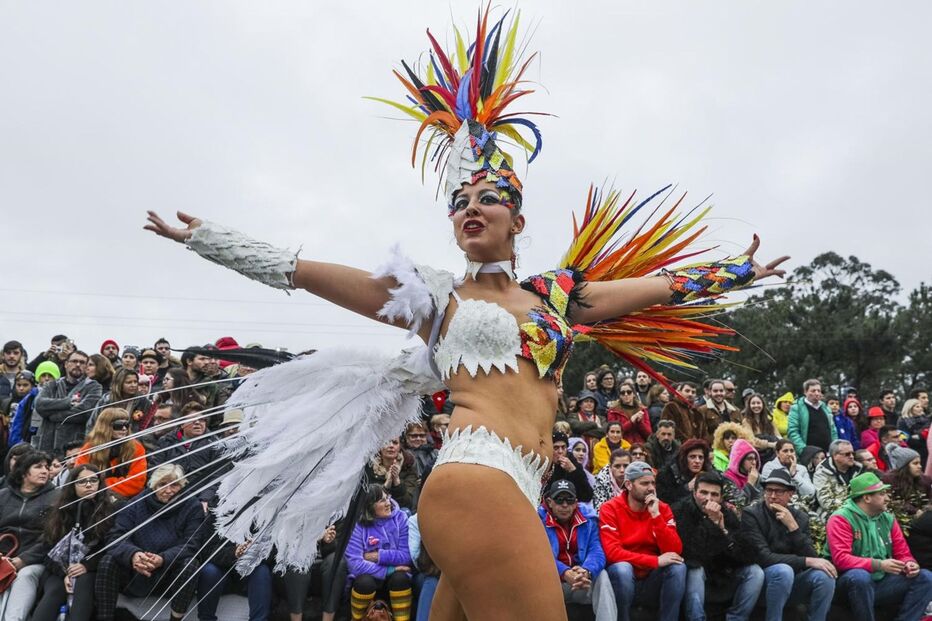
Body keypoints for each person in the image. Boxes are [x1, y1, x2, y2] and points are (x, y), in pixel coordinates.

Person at [142, 8, 787, 617]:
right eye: (459, 202)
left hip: (520, 487)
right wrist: (211, 241)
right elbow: (312, 275)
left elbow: (660, 287)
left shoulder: (559, 294)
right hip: (474, 478)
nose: (470, 208)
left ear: (518, 218)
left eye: (487, 198)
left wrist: (738, 272)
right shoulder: (438, 297)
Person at [95, 464, 204, 621]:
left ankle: (176, 619)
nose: (168, 490)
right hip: (134, 569)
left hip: (168, 572)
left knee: (190, 564)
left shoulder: (192, 507)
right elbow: (115, 537)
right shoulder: (136, 504)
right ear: (153, 486)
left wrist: (162, 559)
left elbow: (192, 544)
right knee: (107, 561)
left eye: (174, 485)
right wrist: (133, 555)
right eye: (162, 484)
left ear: (182, 485)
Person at [826, 472, 932, 621]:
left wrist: (910, 563)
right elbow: (841, 560)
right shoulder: (840, 518)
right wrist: (879, 564)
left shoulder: (888, 519)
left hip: (880, 583)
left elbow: (903, 553)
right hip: (845, 585)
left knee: (925, 577)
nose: (888, 498)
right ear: (867, 497)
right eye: (882, 494)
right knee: (860, 577)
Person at [739, 467, 836, 621]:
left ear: (790, 494)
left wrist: (793, 527)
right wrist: (806, 561)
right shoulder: (752, 514)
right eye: (769, 490)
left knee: (825, 575)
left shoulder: (800, 517)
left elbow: (811, 556)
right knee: (783, 571)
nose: (772, 496)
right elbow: (763, 557)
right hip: (761, 583)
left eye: (779, 491)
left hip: (792, 584)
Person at [599, 461, 686, 621]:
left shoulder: (662, 508)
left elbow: (675, 550)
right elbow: (612, 553)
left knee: (678, 567)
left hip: (652, 578)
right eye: (644, 483)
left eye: (653, 482)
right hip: (624, 577)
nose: (651, 488)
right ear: (629, 484)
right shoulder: (609, 508)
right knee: (622, 569)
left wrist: (656, 516)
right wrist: (654, 561)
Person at [672, 471, 764, 621]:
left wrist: (723, 531)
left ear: (721, 497)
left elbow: (749, 554)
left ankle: (736, 618)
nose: (709, 498)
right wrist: (711, 524)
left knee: (755, 572)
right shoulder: (680, 511)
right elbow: (691, 553)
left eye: (714, 494)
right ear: (694, 492)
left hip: (722, 573)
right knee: (696, 570)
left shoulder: (727, 514)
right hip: (694, 574)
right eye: (703, 492)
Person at [31, 464, 116, 621]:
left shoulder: (111, 509)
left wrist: (86, 565)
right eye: (82, 481)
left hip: (92, 569)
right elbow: (49, 550)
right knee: (55, 590)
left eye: (93, 480)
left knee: (84, 585)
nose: (89, 484)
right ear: (72, 486)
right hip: (60, 569)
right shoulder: (61, 511)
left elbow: (111, 546)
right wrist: (65, 573)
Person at [539, 480, 614, 620]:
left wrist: (586, 571)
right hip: (554, 585)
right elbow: (539, 556)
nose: (565, 505)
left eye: (569, 500)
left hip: (582, 581)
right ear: (549, 502)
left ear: (576, 503)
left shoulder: (589, 519)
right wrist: (564, 572)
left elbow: (597, 551)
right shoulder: (538, 521)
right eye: (559, 500)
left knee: (602, 575)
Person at [0, 450, 59, 620]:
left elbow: (52, 537)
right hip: (4, 554)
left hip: (34, 559)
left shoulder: (56, 497)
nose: (45, 471)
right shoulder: (3, 496)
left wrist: (23, 560)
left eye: (47, 467)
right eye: (38, 467)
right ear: (24, 471)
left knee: (25, 576)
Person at [345, 485, 413, 621]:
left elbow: (406, 556)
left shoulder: (401, 518)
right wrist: (389, 569)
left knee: (401, 578)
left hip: (395, 579)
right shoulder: (358, 525)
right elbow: (355, 564)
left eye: (387, 497)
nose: (388, 503)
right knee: (364, 582)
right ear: (369, 506)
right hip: (370, 578)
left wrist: (377, 556)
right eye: (382, 501)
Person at [34, 350, 102, 452]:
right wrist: (68, 403)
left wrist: (51, 415)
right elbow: (39, 404)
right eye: (74, 361)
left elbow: (84, 413)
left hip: (74, 446)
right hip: (47, 444)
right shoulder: (52, 385)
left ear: (86, 367)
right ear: (66, 364)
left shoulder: (94, 387)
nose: (78, 364)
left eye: (82, 362)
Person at [74, 407, 148, 499]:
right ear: (106, 426)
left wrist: (101, 484)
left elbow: (136, 483)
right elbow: (80, 479)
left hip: (127, 500)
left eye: (127, 424)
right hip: (94, 499)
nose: (124, 428)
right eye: (118, 425)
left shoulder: (136, 448)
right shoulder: (89, 449)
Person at [881, 443, 931, 536]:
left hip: (924, 520)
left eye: (919, 463)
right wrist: (915, 511)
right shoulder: (889, 480)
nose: (920, 466)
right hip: (900, 524)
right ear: (904, 466)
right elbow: (893, 502)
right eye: (915, 463)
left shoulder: (925, 480)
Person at [365, 437, 420, 512]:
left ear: (400, 446)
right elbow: (368, 500)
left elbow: (408, 503)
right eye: (386, 442)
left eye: (395, 443)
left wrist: (397, 482)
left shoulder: (408, 465)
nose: (391, 446)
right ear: (379, 446)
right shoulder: (369, 465)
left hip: (399, 511)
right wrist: (387, 484)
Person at [89, 367, 151, 433]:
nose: (133, 385)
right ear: (119, 383)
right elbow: (93, 423)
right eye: (129, 382)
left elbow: (147, 427)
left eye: (135, 382)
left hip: (132, 440)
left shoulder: (143, 402)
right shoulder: (106, 400)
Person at [813, 439, 862, 520]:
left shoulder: (859, 468)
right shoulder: (822, 473)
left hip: (859, 509)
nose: (852, 456)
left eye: (853, 453)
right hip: (834, 512)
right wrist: (851, 509)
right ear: (835, 456)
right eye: (847, 454)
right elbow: (826, 502)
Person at [787, 379, 836, 454]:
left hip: (828, 453)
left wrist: (835, 449)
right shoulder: (797, 408)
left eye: (818, 391)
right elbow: (793, 432)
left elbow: (833, 430)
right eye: (813, 391)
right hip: (810, 455)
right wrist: (804, 451)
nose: (817, 393)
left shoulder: (825, 408)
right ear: (805, 392)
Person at [657, 438, 711, 505]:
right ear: (684, 458)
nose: (697, 461)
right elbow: (667, 504)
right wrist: (687, 488)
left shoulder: (708, 472)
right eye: (692, 457)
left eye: (700, 457)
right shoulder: (666, 475)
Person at [550, 431, 594, 503]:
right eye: (556, 448)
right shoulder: (545, 463)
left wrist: (573, 471)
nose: (560, 451)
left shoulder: (574, 464)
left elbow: (587, 496)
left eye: (563, 447)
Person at [721, 439, 762, 512]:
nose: (754, 462)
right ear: (739, 460)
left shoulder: (756, 476)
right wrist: (750, 484)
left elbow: (762, 500)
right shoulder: (727, 478)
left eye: (755, 459)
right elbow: (739, 503)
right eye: (750, 459)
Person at [592, 448, 631, 513]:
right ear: (610, 466)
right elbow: (600, 511)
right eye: (617, 466)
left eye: (626, 466)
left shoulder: (635, 478)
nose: (622, 470)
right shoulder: (601, 481)